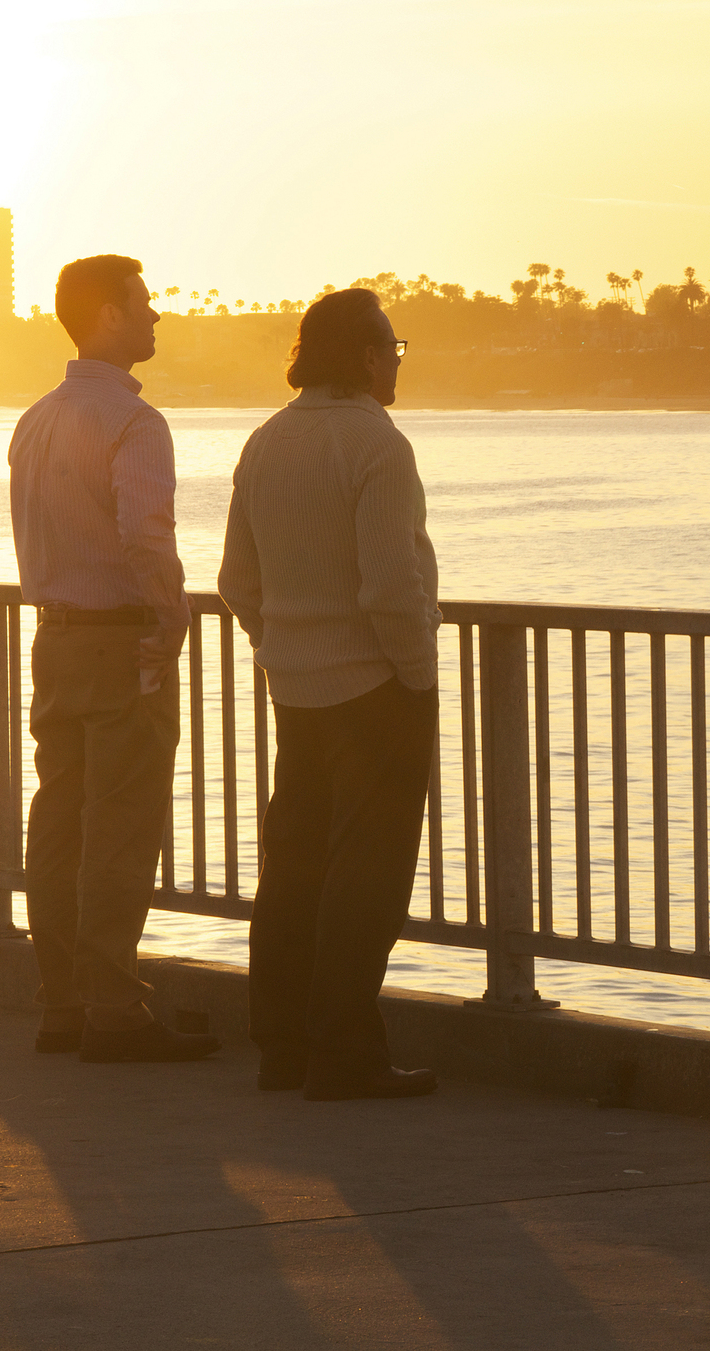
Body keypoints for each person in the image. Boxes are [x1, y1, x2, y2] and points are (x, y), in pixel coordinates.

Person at [219, 288, 440, 1101]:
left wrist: (282, 646)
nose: (397, 364)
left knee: (296, 866)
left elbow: (236, 580)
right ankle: (346, 1052)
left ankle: (282, 1046)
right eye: (393, 349)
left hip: (296, 687)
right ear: (368, 355)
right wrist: (414, 676)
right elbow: (391, 583)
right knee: (367, 874)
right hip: (376, 686)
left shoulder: (267, 442)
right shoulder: (378, 447)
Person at [9, 254, 220, 1064]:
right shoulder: (135, 423)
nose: (156, 317)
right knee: (123, 829)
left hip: (54, 640)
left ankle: (61, 1001)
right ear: (106, 315)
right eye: (143, 304)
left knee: (59, 823)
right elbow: (144, 533)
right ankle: (114, 1010)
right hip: (118, 639)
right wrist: (170, 619)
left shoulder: (36, 419)